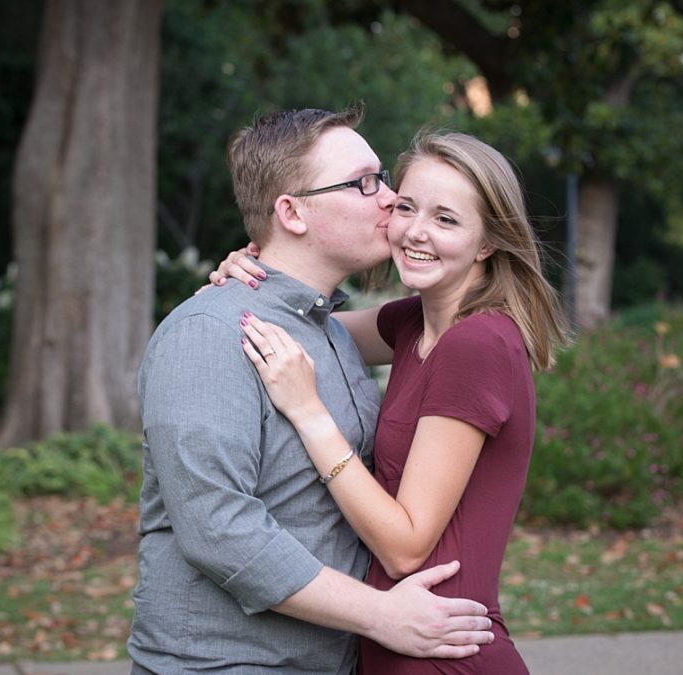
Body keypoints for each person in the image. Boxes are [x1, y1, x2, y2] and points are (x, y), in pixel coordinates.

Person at [128, 108, 495, 674]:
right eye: (366, 183)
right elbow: (218, 530)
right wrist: (381, 615)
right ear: (292, 212)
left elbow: (458, 308)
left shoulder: (331, 331)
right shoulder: (209, 335)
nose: (391, 199)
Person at [223, 129, 572, 673]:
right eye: (406, 207)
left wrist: (310, 412)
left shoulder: (476, 345)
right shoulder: (414, 323)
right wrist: (248, 274)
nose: (415, 232)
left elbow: (406, 547)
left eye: (446, 219)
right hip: (396, 641)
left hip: (442, 652)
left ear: (487, 243)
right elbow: (294, 328)